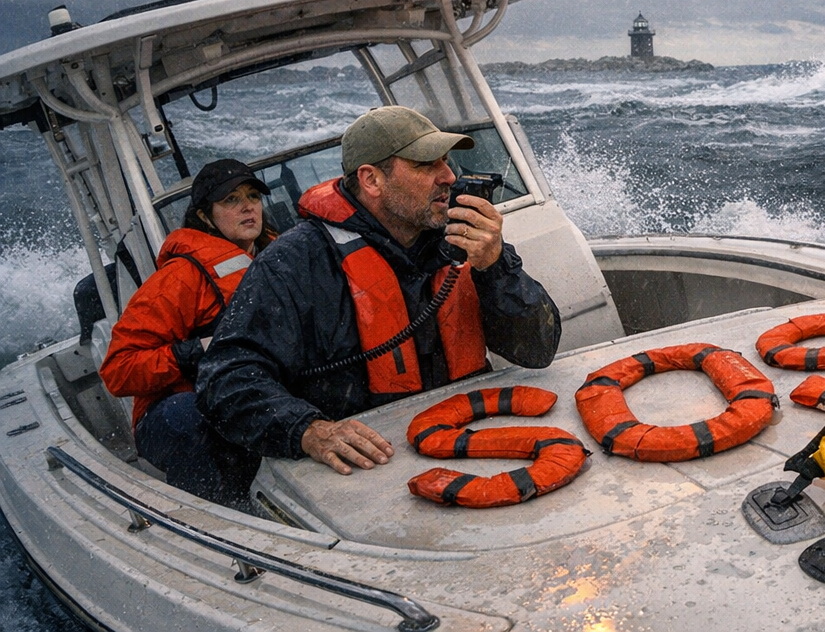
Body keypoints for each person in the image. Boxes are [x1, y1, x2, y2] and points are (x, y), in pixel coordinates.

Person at [197, 106, 561, 477]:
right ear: (371, 180)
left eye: (445, 161)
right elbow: (225, 378)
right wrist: (308, 430)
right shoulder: (292, 264)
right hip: (368, 464)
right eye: (425, 164)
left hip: (478, 437)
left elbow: (538, 350)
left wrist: (495, 267)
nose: (449, 176)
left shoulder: (465, 238)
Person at [100, 159, 272, 509]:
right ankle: (212, 521)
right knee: (191, 417)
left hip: (257, 392)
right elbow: (118, 370)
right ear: (205, 217)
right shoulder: (181, 278)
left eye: (253, 196)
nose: (247, 207)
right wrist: (194, 350)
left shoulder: (283, 255)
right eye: (231, 200)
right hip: (180, 411)